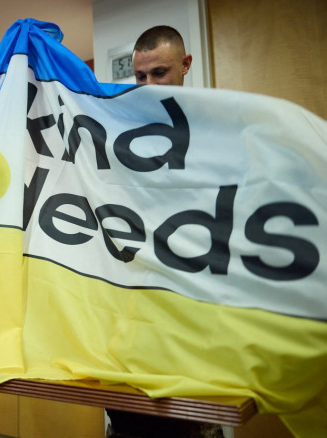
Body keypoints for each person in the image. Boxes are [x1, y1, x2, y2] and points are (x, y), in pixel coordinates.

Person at [105, 27, 221, 438]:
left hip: (190, 316)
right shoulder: (119, 133)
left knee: (190, 425)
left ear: (186, 65)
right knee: (127, 422)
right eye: (140, 76)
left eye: (160, 72)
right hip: (131, 314)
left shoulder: (215, 133)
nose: (148, 85)